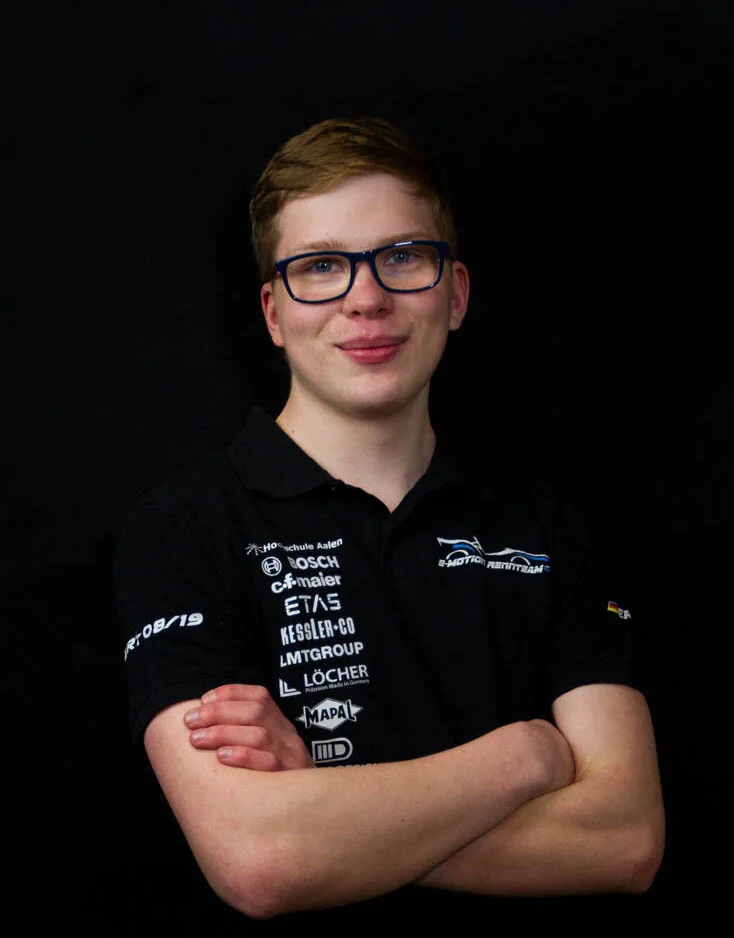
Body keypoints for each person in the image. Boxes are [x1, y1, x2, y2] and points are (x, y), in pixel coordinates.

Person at [114, 116, 664, 922]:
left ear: (456, 293)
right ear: (273, 313)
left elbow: (624, 840)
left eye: (403, 256)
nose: (366, 298)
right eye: (321, 265)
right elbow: (260, 859)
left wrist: (323, 803)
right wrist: (525, 755)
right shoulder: (182, 528)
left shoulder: (550, 527)